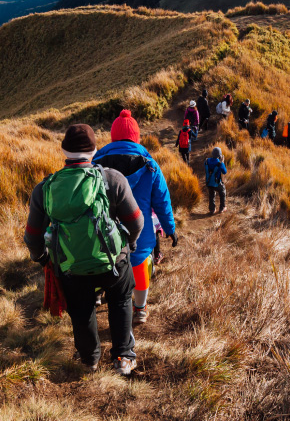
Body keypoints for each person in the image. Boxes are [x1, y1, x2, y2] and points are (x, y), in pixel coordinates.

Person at [24, 124, 143, 376]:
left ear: (64, 151)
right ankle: (123, 357)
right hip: (113, 261)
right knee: (120, 299)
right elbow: (136, 221)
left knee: (80, 307)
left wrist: (44, 259)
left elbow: (32, 238)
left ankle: (89, 359)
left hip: (70, 266)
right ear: (94, 150)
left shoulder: (44, 189)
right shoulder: (112, 179)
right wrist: (129, 244)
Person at [92, 110, 178, 325]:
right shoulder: (150, 165)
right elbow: (162, 201)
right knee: (140, 271)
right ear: (136, 137)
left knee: (104, 264)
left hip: (104, 233)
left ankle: (98, 296)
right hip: (140, 234)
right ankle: (140, 310)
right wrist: (170, 228)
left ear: (113, 136)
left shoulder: (95, 164)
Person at [205, 147, 228, 214]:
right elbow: (224, 172)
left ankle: (212, 209)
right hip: (217, 183)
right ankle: (222, 208)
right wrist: (222, 162)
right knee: (222, 192)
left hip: (208, 182)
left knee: (211, 194)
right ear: (219, 155)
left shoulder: (206, 161)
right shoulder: (220, 163)